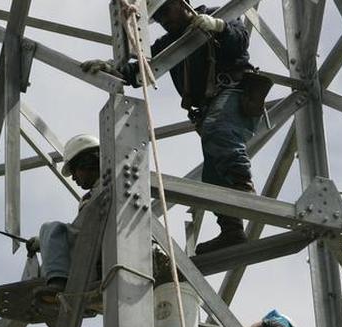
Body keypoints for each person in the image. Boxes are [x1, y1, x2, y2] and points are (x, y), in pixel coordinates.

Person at [82, 0, 264, 255]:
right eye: (159, 17)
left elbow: (239, 40)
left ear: (181, 3)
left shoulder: (216, 15)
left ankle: (243, 188)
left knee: (218, 132)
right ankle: (231, 230)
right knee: (213, 173)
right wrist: (110, 69)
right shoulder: (168, 43)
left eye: (166, 12)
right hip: (210, 109)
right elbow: (140, 71)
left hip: (235, 93)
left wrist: (218, 26)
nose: (164, 20)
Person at [31, 133, 103, 306]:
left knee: (50, 228)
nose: (74, 178)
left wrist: (48, 237)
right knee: (51, 233)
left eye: (74, 171)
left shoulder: (106, 187)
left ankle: (58, 282)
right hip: (100, 254)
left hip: (97, 255)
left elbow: (81, 233)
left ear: (88, 163)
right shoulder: (97, 193)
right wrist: (44, 243)